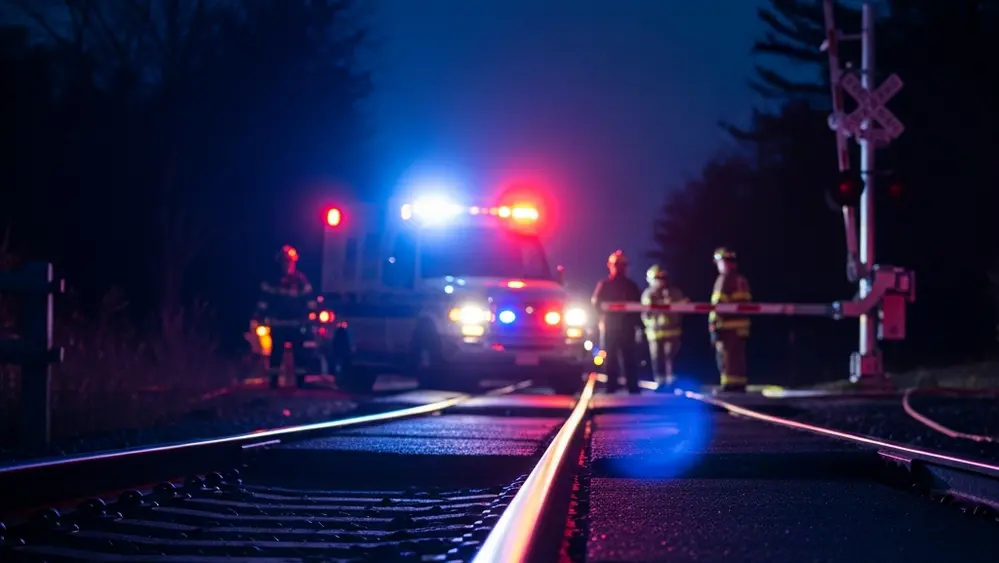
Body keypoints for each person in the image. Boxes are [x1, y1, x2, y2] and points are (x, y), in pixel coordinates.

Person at [258, 245, 314, 388]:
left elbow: (309, 301)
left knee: (299, 354)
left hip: (296, 324)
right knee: (276, 353)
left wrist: (309, 319)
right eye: (284, 262)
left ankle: (300, 383)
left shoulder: (301, 280)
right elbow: (264, 301)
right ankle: (274, 382)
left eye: (289, 261)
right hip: (278, 324)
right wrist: (261, 316)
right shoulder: (272, 280)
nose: (287, 265)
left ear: (294, 262)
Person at [591, 250, 644, 394]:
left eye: (622, 265)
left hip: (624, 328)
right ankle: (613, 386)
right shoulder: (605, 285)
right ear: (611, 266)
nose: (620, 268)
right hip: (611, 327)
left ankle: (630, 386)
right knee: (611, 359)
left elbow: (637, 306)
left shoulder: (630, 286)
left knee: (629, 357)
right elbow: (596, 304)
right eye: (618, 265)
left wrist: (638, 325)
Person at [709, 247, 751, 393]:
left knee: (726, 357)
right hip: (741, 326)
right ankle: (739, 384)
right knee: (737, 356)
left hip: (727, 326)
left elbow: (718, 305)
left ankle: (729, 385)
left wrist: (713, 324)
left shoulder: (724, 279)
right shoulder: (741, 279)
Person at [642, 265, 688, 392]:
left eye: (662, 278)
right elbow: (646, 313)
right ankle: (660, 382)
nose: (660, 281)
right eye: (657, 278)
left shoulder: (674, 293)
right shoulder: (648, 294)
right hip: (654, 333)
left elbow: (681, 309)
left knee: (671, 357)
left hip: (672, 332)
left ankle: (671, 381)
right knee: (657, 358)